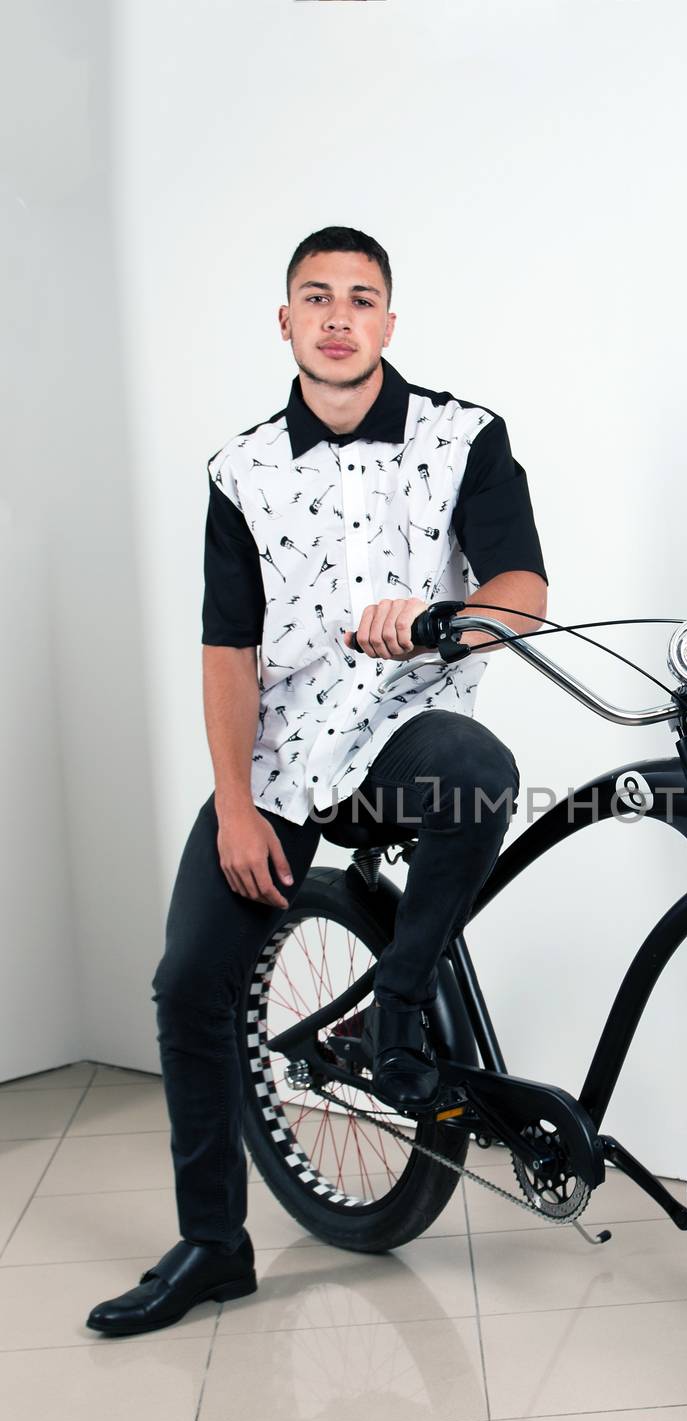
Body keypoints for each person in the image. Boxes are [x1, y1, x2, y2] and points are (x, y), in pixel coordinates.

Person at [87, 225, 548, 1337]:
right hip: (286, 762)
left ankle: (397, 1006)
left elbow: (522, 590)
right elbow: (227, 654)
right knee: (190, 980)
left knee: (480, 771)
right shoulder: (239, 471)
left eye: (361, 298)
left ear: (390, 322)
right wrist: (238, 804)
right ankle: (212, 1245)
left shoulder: (463, 437)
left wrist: (447, 623)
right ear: (286, 321)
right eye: (315, 297)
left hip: (402, 734)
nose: (338, 316)